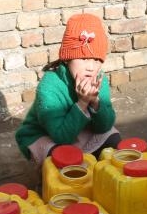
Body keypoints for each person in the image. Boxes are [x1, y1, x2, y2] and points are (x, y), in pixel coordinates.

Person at [15, 13, 120, 164]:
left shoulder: (98, 80)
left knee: (114, 140)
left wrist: (96, 102)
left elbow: (104, 126)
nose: (91, 67)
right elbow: (61, 137)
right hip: (48, 135)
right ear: (67, 59)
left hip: (79, 129)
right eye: (83, 59)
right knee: (63, 160)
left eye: (97, 60)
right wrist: (82, 103)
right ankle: (47, 178)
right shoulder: (49, 86)